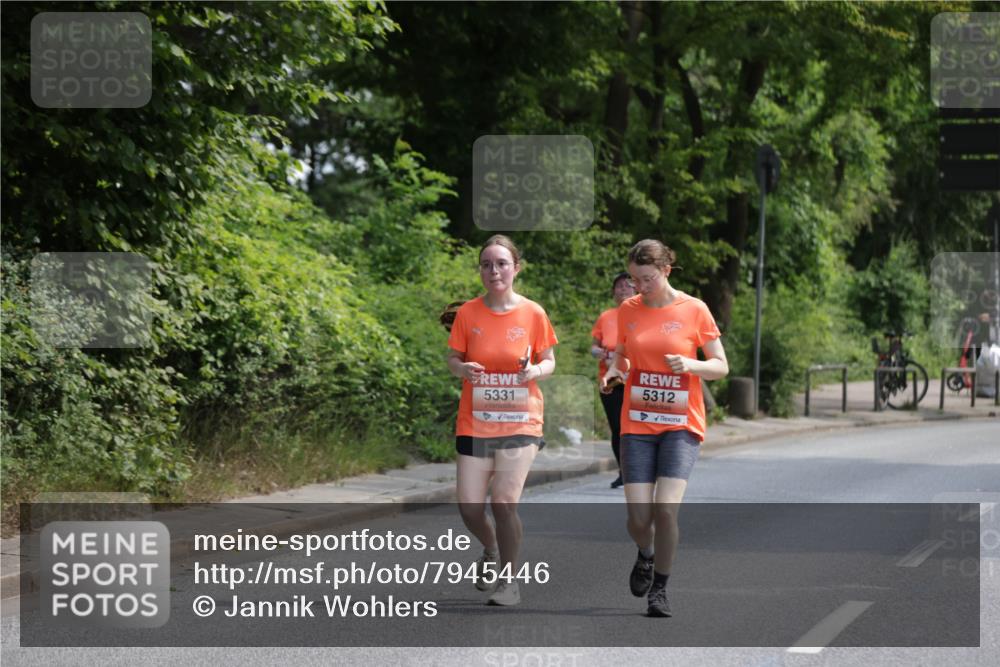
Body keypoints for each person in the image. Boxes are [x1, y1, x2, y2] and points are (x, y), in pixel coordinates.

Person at [600, 239, 728, 617]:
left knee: (665, 511)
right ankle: (646, 554)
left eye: (647, 278)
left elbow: (721, 365)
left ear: (666, 271)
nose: (640, 287)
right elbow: (623, 354)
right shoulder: (629, 309)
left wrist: (692, 366)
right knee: (639, 519)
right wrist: (613, 372)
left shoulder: (694, 309)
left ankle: (661, 588)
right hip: (637, 421)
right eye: (635, 279)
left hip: (680, 423)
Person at [446, 234, 558, 606]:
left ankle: (510, 582)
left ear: (516, 268)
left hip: (521, 421)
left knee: (504, 501)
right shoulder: (468, 313)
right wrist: (464, 368)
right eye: (487, 264)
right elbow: (452, 361)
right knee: (469, 507)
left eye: (501, 264)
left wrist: (534, 372)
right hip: (475, 421)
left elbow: (550, 361)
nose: (493, 271)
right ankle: (491, 548)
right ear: (480, 270)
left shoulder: (533, 313)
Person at [591, 272, 637, 489]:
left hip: (635, 380)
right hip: (609, 378)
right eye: (619, 287)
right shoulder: (606, 316)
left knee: (635, 427)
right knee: (617, 427)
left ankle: (640, 471)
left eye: (628, 286)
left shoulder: (643, 314)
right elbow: (593, 346)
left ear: (636, 289)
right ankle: (623, 472)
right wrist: (599, 353)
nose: (623, 290)